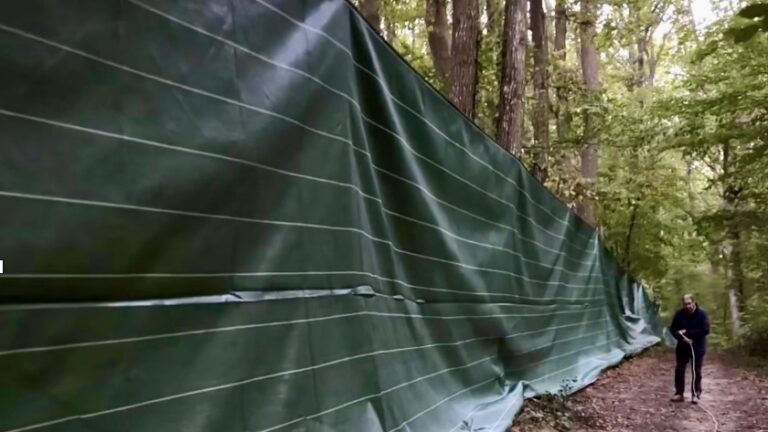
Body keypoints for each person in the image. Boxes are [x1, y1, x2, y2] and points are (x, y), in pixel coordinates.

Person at [669, 294, 710, 403]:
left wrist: (689, 334)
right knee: (679, 369)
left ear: (693, 302)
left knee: (696, 370)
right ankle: (679, 393)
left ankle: (695, 394)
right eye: (685, 304)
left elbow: (705, 330)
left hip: (697, 346)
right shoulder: (679, 314)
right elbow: (673, 329)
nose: (687, 306)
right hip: (682, 347)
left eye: (689, 303)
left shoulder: (701, 314)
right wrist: (681, 337)